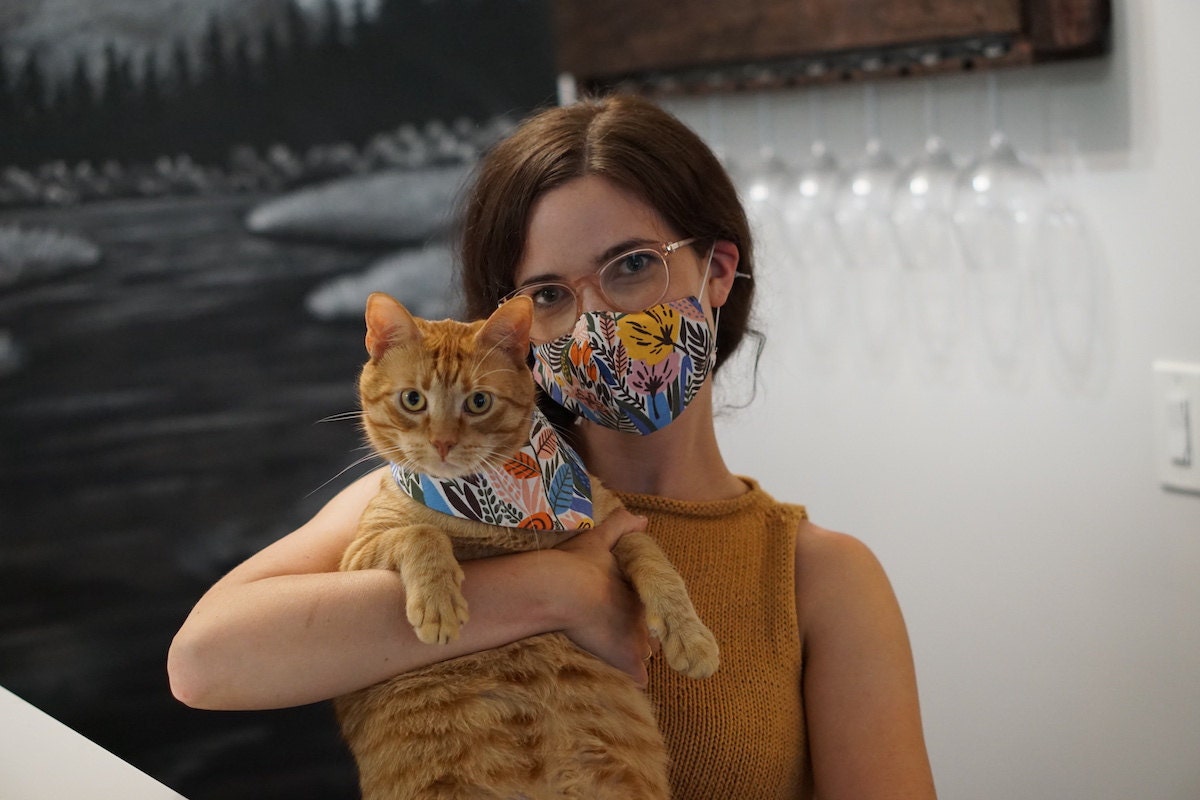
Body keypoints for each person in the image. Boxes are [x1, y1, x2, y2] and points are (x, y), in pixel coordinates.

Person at [169, 94, 937, 799]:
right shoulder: (430, 493)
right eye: (548, 295)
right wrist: (555, 588)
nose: (592, 319)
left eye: (631, 266)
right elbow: (206, 661)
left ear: (717, 271)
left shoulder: (818, 576)